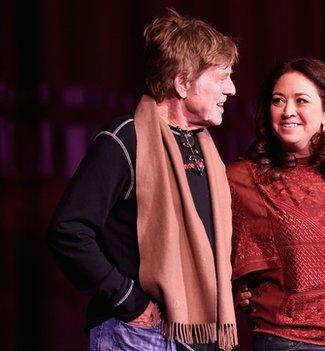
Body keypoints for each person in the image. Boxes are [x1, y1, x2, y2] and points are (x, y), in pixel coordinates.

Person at [47, 9, 238, 351]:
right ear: (182, 83)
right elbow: (69, 230)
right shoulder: (125, 139)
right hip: (137, 334)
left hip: (195, 337)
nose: (232, 89)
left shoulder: (203, 147)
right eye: (221, 77)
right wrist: (129, 301)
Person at [227, 57, 325, 351]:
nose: (288, 111)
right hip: (290, 341)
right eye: (278, 101)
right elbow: (209, 251)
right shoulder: (242, 178)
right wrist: (237, 286)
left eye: (301, 100)